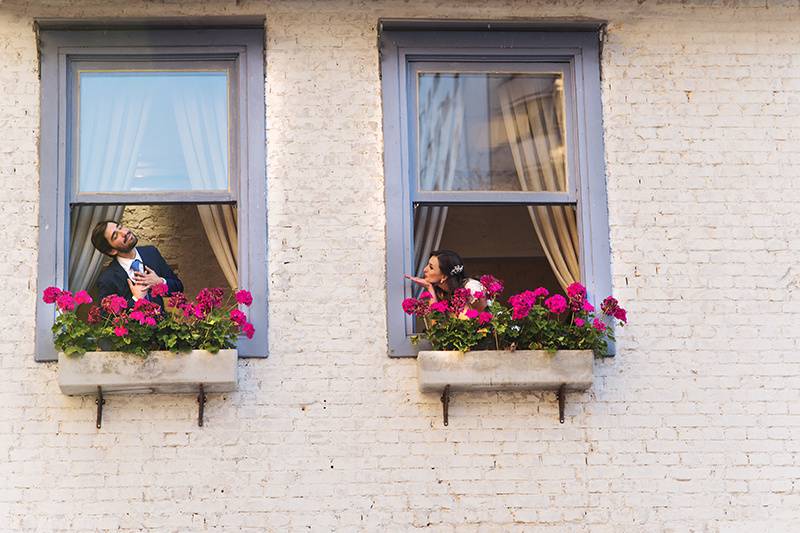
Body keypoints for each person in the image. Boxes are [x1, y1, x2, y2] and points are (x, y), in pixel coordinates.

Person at [90, 220, 183, 309]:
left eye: (120, 227)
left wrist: (160, 282)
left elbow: (178, 288)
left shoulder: (151, 253)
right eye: (116, 236)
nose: (124, 232)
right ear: (112, 251)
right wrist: (136, 300)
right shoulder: (107, 279)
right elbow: (107, 317)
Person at [404, 249, 487, 313]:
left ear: (444, 276)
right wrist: (429, 287)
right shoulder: (441, 292)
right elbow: (435, 324)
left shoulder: (471, 287)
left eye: (431, 267)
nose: (425, 269)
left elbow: (482, 316)